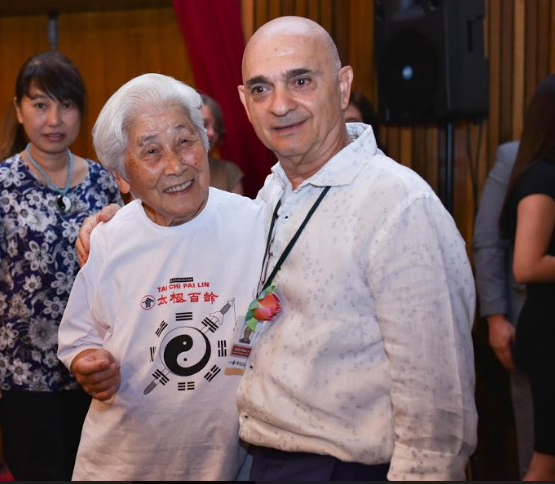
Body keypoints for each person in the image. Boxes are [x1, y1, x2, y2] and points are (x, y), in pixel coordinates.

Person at [76, 16, 477, 481]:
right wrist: (114, 226)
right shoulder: (271, 198)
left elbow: (437, 414)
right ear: (245, 104)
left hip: (346, 468)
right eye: (262, 89)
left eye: (301, 81)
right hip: (264, 460)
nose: (281, 105)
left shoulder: (398, 206)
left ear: (343, 87)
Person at [56, 73, 265, 481]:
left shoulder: (255, 223)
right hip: (123, 463)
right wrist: (87, 362)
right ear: (121, 175)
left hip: (228, 462)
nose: (175, 165)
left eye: (185, 141)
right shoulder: (109, 240)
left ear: (205, 143)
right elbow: (79, 335)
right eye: (151, 152)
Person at [0, 50, 123, 481]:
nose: (55, 119)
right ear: (19, 110)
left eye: (67, 105)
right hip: (22, 371)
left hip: (94, 368)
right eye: (40, 104)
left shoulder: (103, 181)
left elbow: (124, 271)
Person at [499, 71, 555, 481]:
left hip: (553, 328)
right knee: (549, 460)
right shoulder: (545, 178)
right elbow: (526, 264)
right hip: (552, 334)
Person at [472, 139, 534, 477]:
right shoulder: (515, 156)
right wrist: (496, 318)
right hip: (530, 320)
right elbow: (488, 240)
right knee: (539, 448)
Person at [199, 92, 245, 194]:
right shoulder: (170, 173)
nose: (211, 133)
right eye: (204, 124)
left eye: (216, 128)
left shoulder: (228, 172)